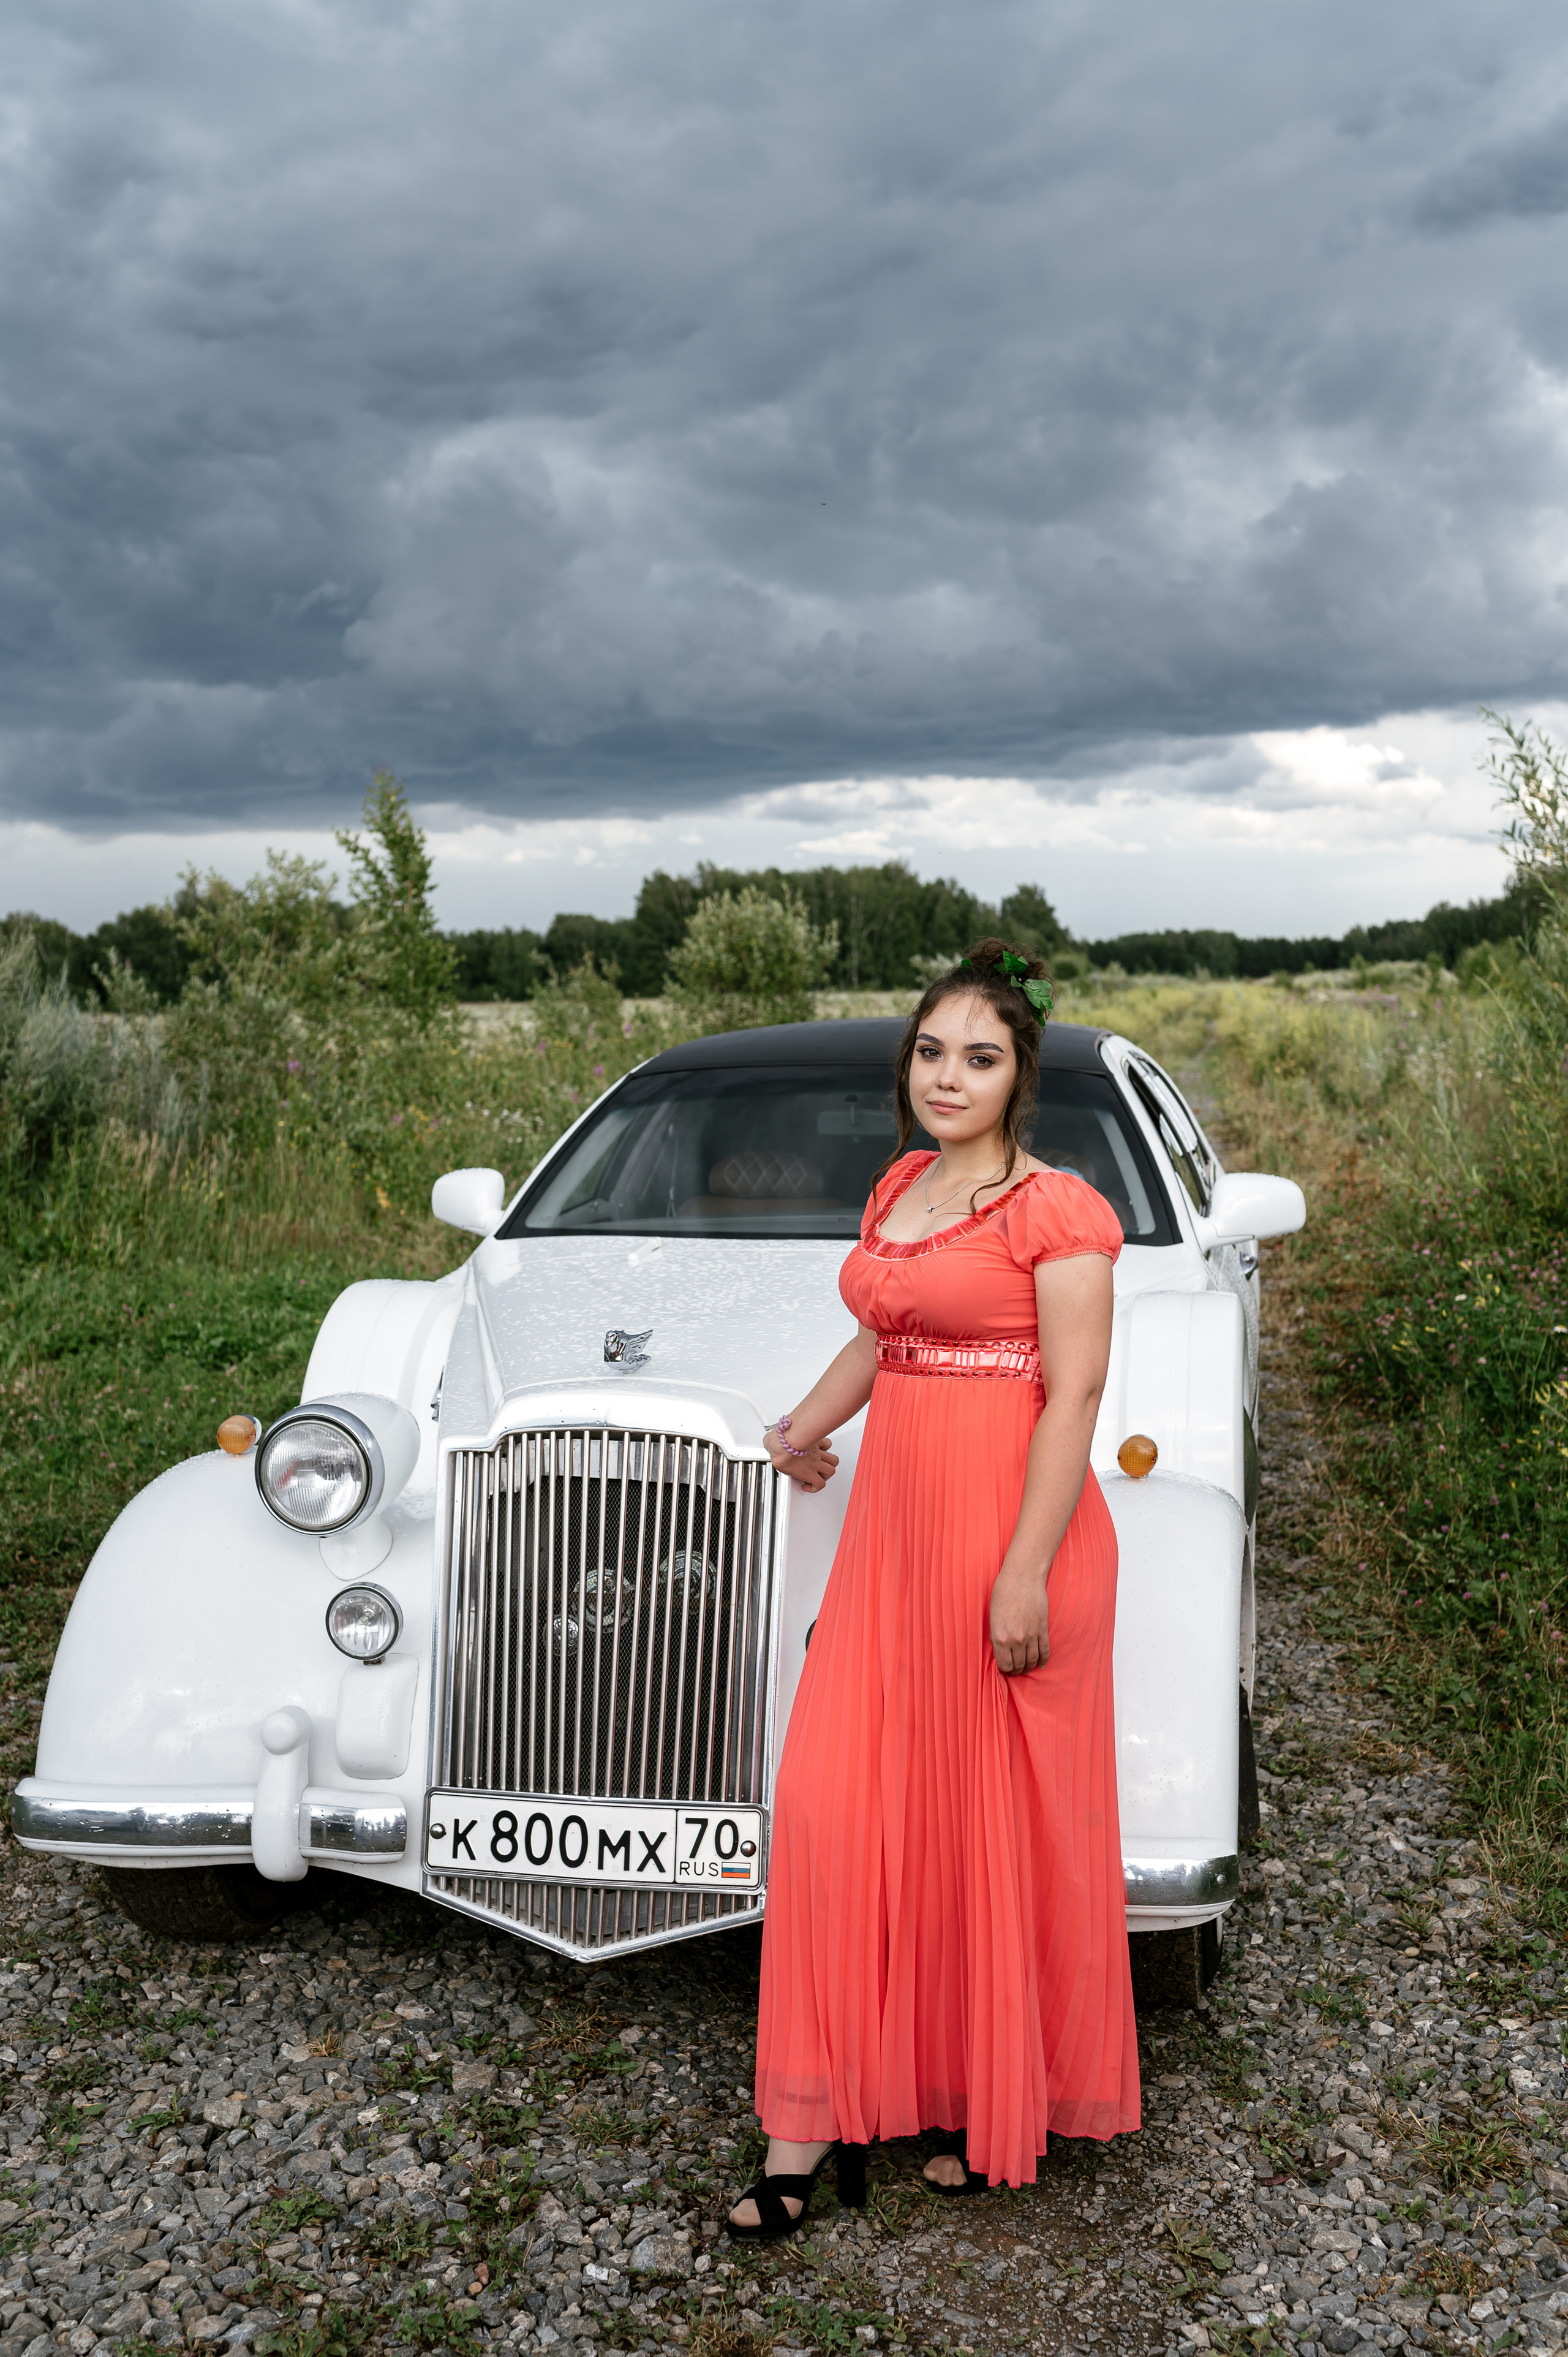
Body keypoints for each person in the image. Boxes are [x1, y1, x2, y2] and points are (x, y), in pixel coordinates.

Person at [728, 941, 1140, 2239]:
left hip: (1006, 1542)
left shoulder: (1054, 1210)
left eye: (979, 1055)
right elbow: (882, 1334)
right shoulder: (899, 1184)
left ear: (1019, 1075)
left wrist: (1022, 1568)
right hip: (890, 1546)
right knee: (835, 1804)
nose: (946, 1076)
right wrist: (802, 1426)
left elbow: (1071, 1390)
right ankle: (803, 2125)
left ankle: (982, 2100)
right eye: (929, 1051)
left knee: (984, 1826)